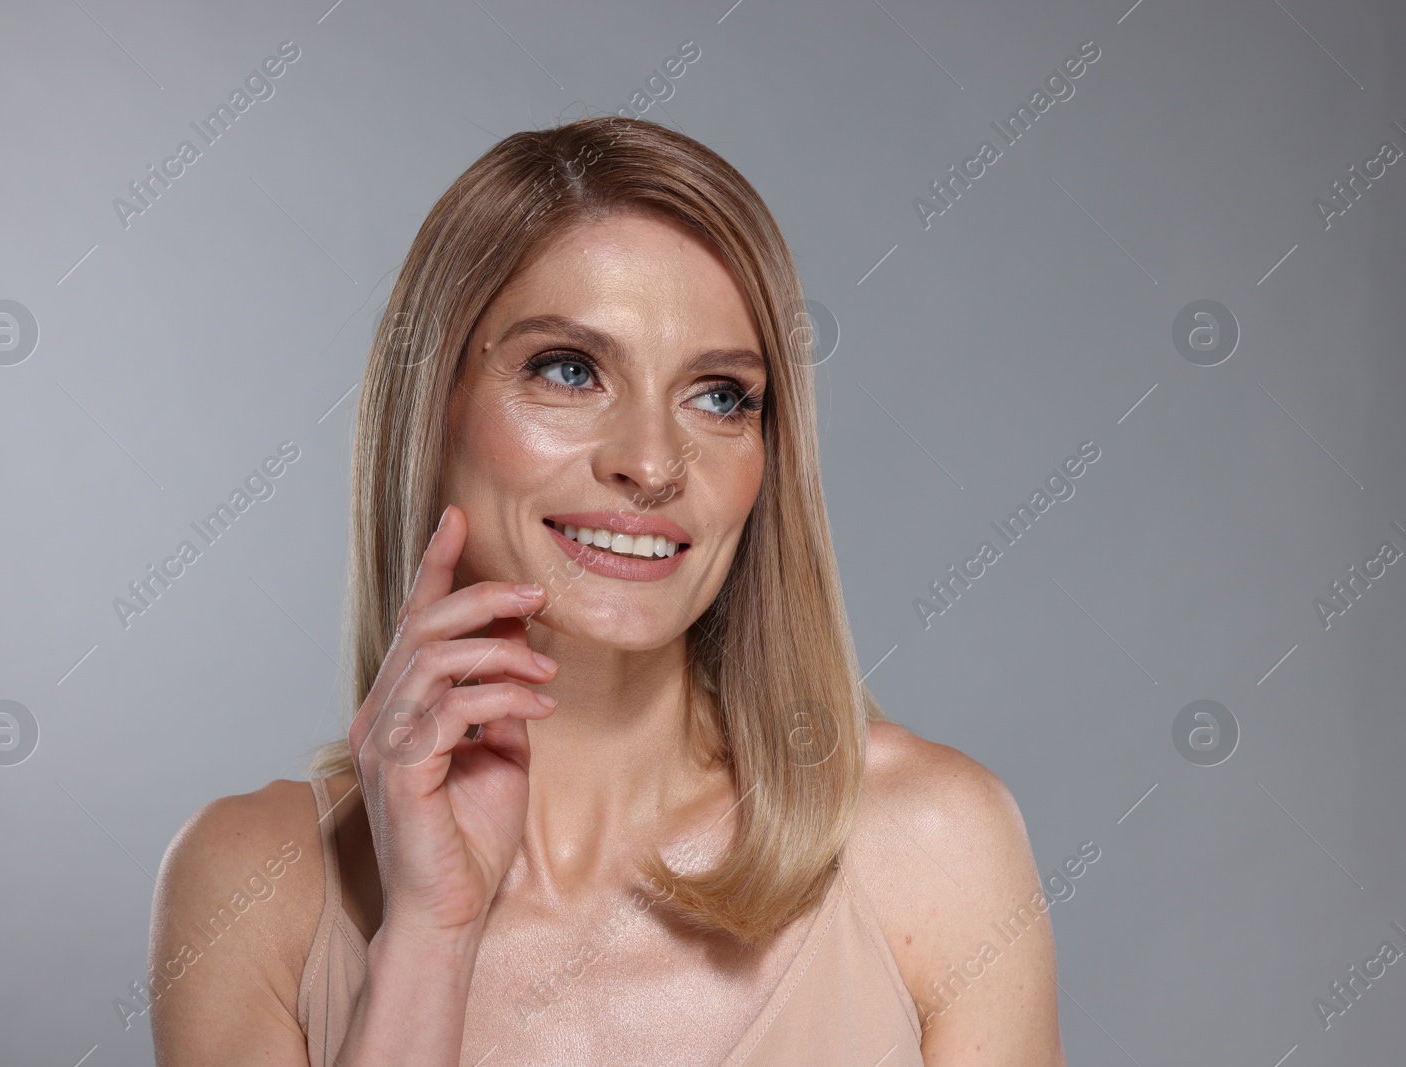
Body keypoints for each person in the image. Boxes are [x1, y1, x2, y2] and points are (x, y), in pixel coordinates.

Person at [148, 115, 1065, 1065]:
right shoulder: (249, 884)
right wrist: (429, 937)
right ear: (435, 409)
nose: (653, 462)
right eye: (570, 370)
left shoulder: (932, 843)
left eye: (719, 395)